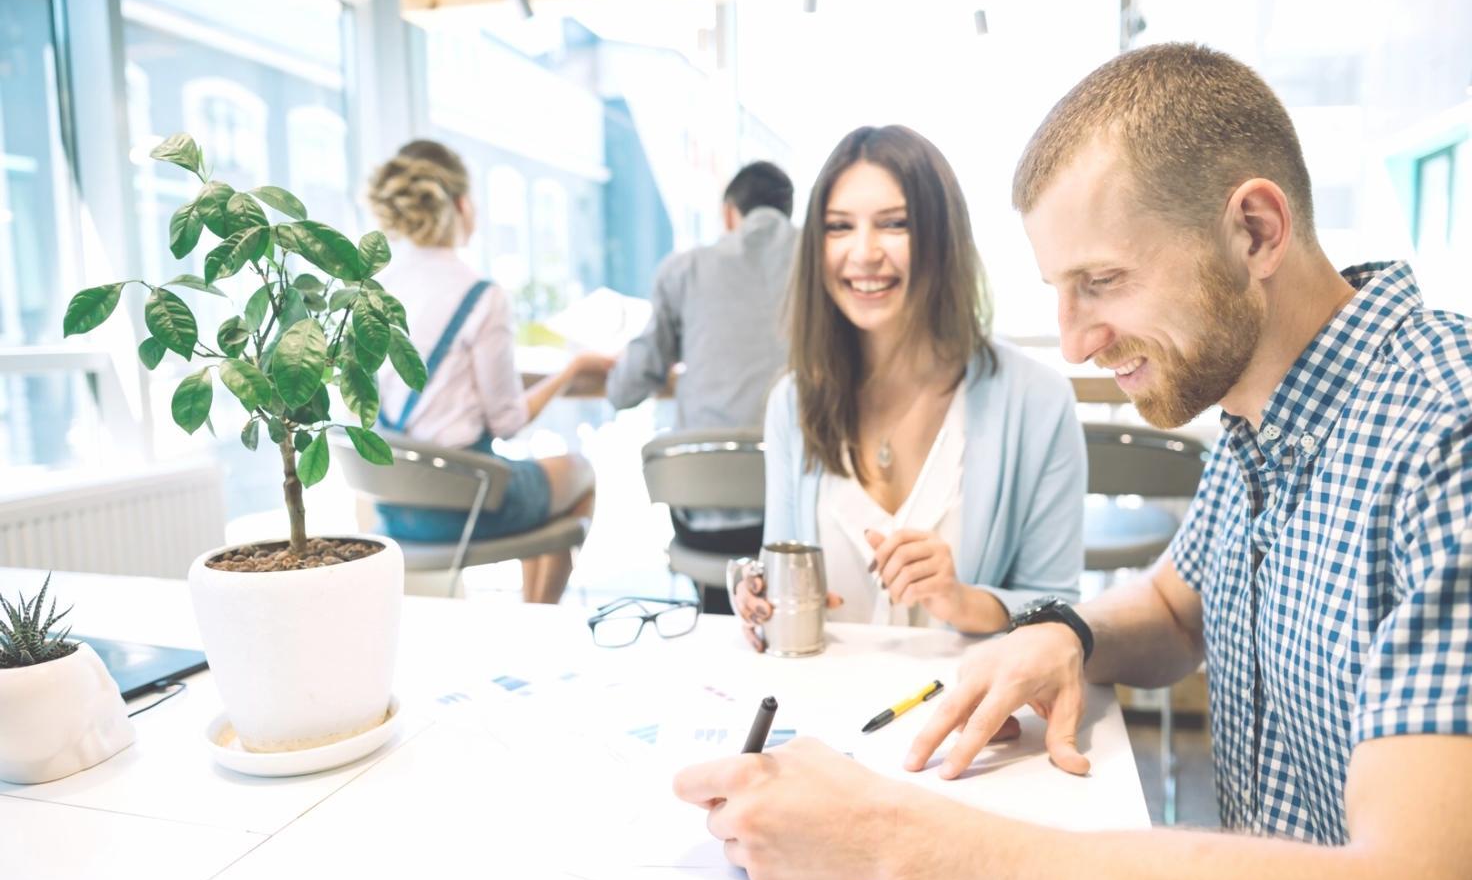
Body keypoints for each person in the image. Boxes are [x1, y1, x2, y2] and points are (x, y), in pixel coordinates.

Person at [674, 44, 1472, 880]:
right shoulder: (1265, 416)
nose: (1076, 342)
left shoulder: (1443, 436)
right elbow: (1178, 609)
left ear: (1255, 231)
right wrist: (1068, 634)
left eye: (1100, 283)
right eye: (1058, 293)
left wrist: (886, 833)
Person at [731, 125, 1086, 649]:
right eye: (838, 227)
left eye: (894, 224)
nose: (864, 252)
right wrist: (759, 594)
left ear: (942, 239)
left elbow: (1060, 611)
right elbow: (779, 565)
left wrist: (962, 600)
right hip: (821, 709)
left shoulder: (1037, 401)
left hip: (967, 716)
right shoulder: (794, 402)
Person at [368, 140, 612, 604]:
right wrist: (571, 371)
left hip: (394, 506)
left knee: (539, 486)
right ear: (462, 205)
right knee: (579, 474)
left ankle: (528, 630)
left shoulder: (373, 289)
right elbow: (508, 422)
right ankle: (536, 621)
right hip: (466, 504)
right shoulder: (481, 296)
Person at [607, 161, 799, 614]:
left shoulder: (685, 270)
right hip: (803, 521)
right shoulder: (822, 263)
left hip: (706, 520)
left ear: (729, 213)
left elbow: (625, 388)